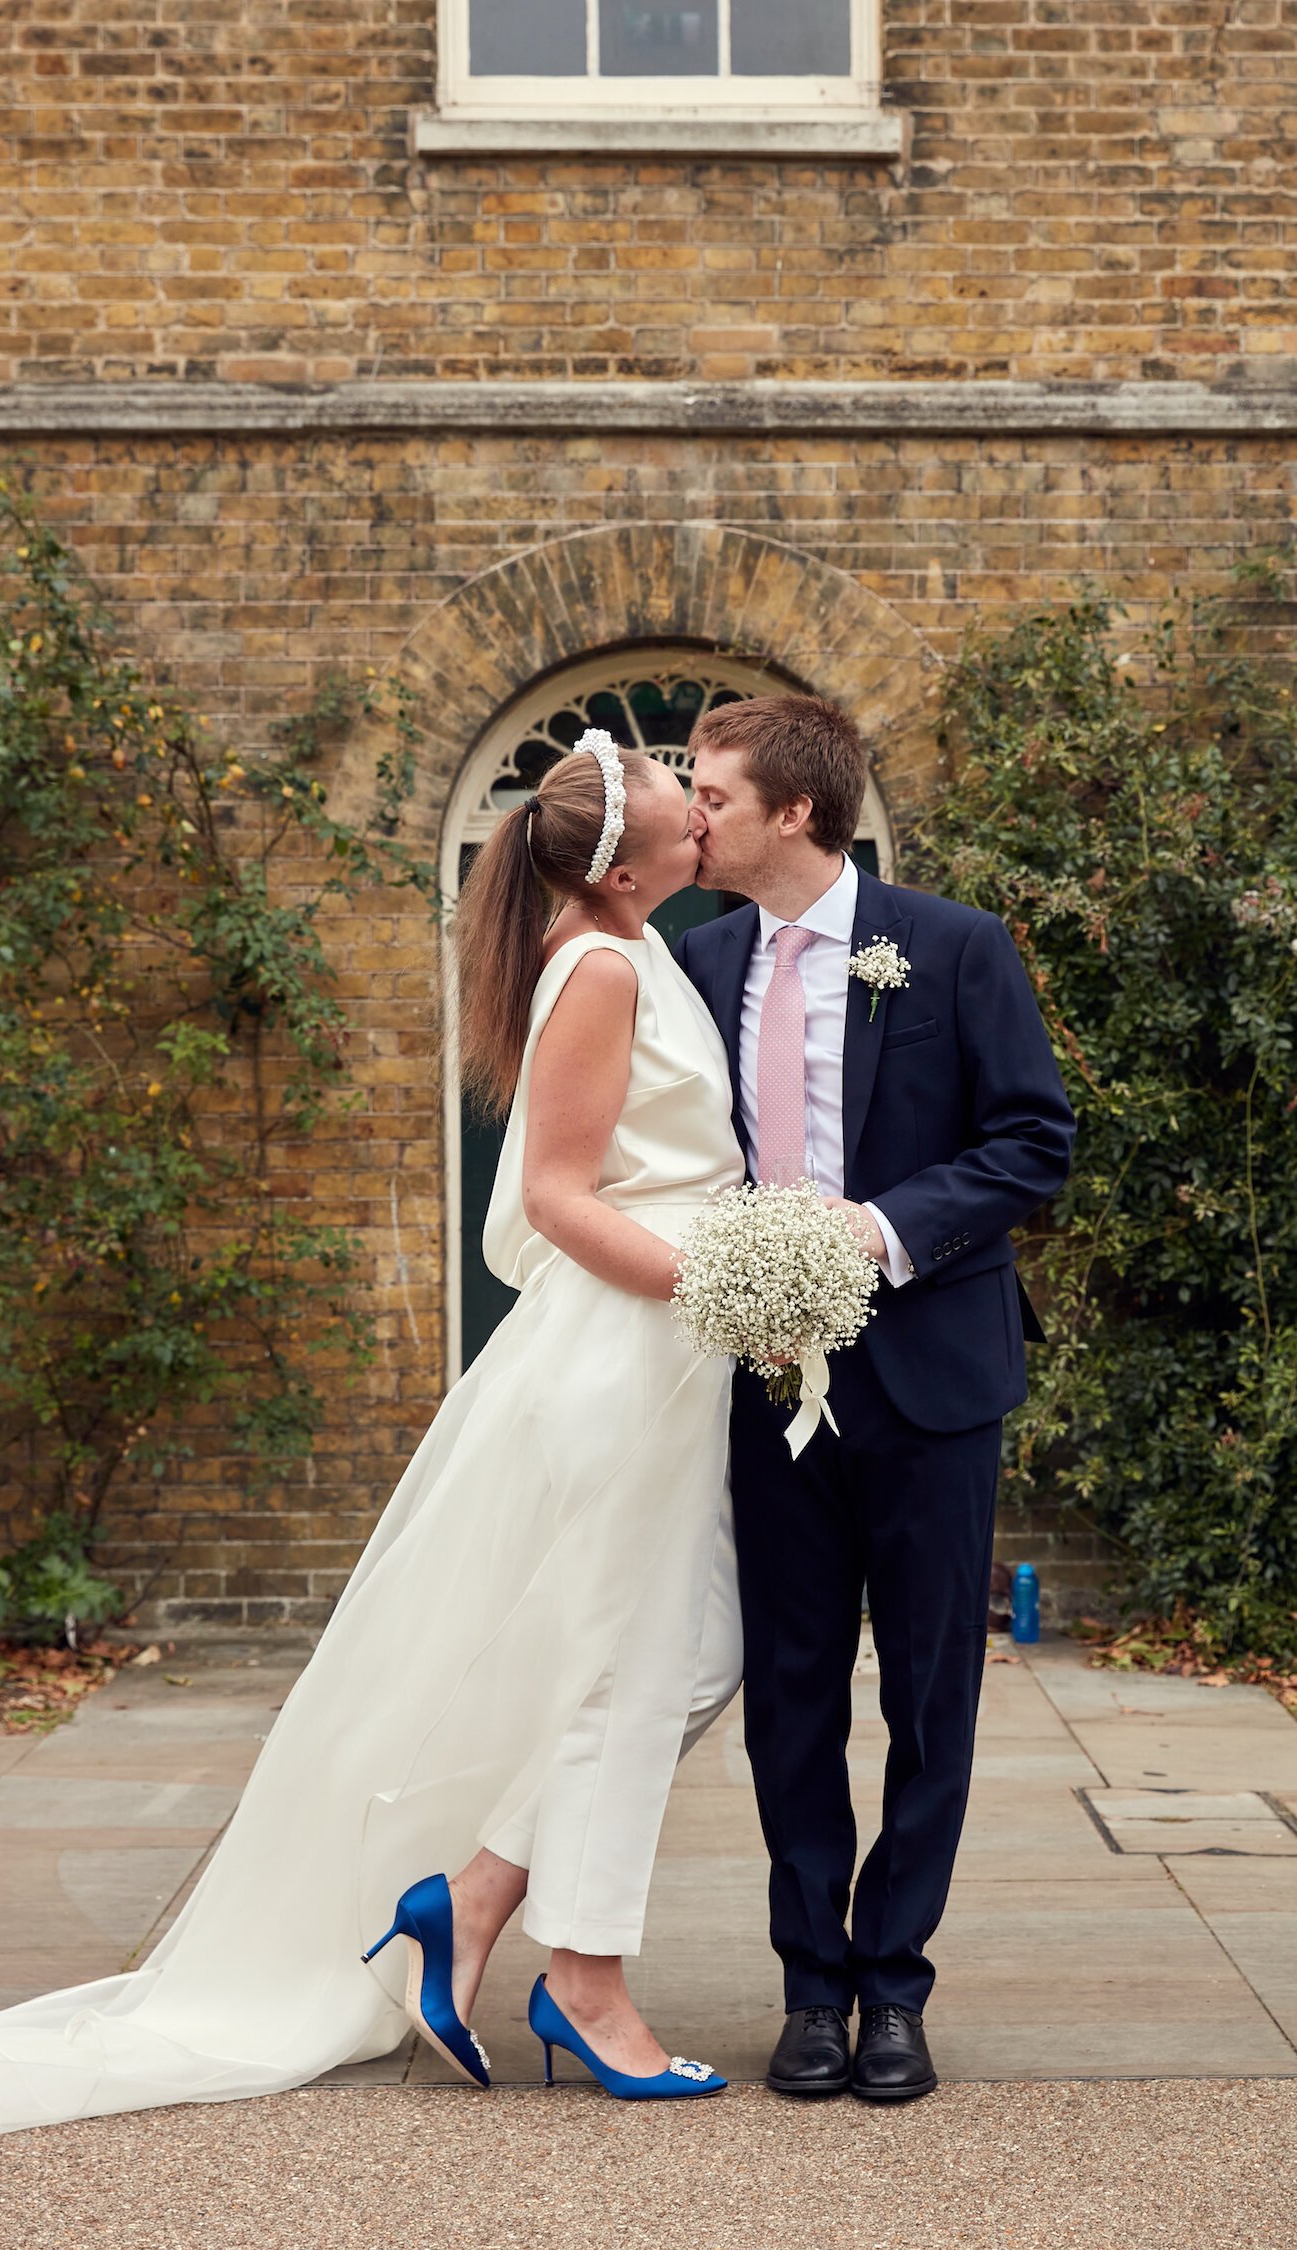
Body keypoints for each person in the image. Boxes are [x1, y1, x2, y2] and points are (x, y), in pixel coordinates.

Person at [0, 732, 747, 2139]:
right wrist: (721, 1279)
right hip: (631, 1352)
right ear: (626, 861)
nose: (702, 795)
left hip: (666, 1354)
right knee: (632, 1667)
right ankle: (586, 1980)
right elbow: (558, 1198)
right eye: (681, 785)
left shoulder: (630, 944)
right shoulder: (608, 966)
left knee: (674, 1654)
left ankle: (478, 1895)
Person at [674, 693, 1076, 2103]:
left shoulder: (953, 948)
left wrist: (884, 1229)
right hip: (760, 1382)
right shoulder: (696, 958)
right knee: (789, 1698)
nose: (692, 813)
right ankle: (809, 1982)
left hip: (933, 1384)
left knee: (929, 1692)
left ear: (796, 810)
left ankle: (895, 1984)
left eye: (712, 791)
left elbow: (1035, 1138)